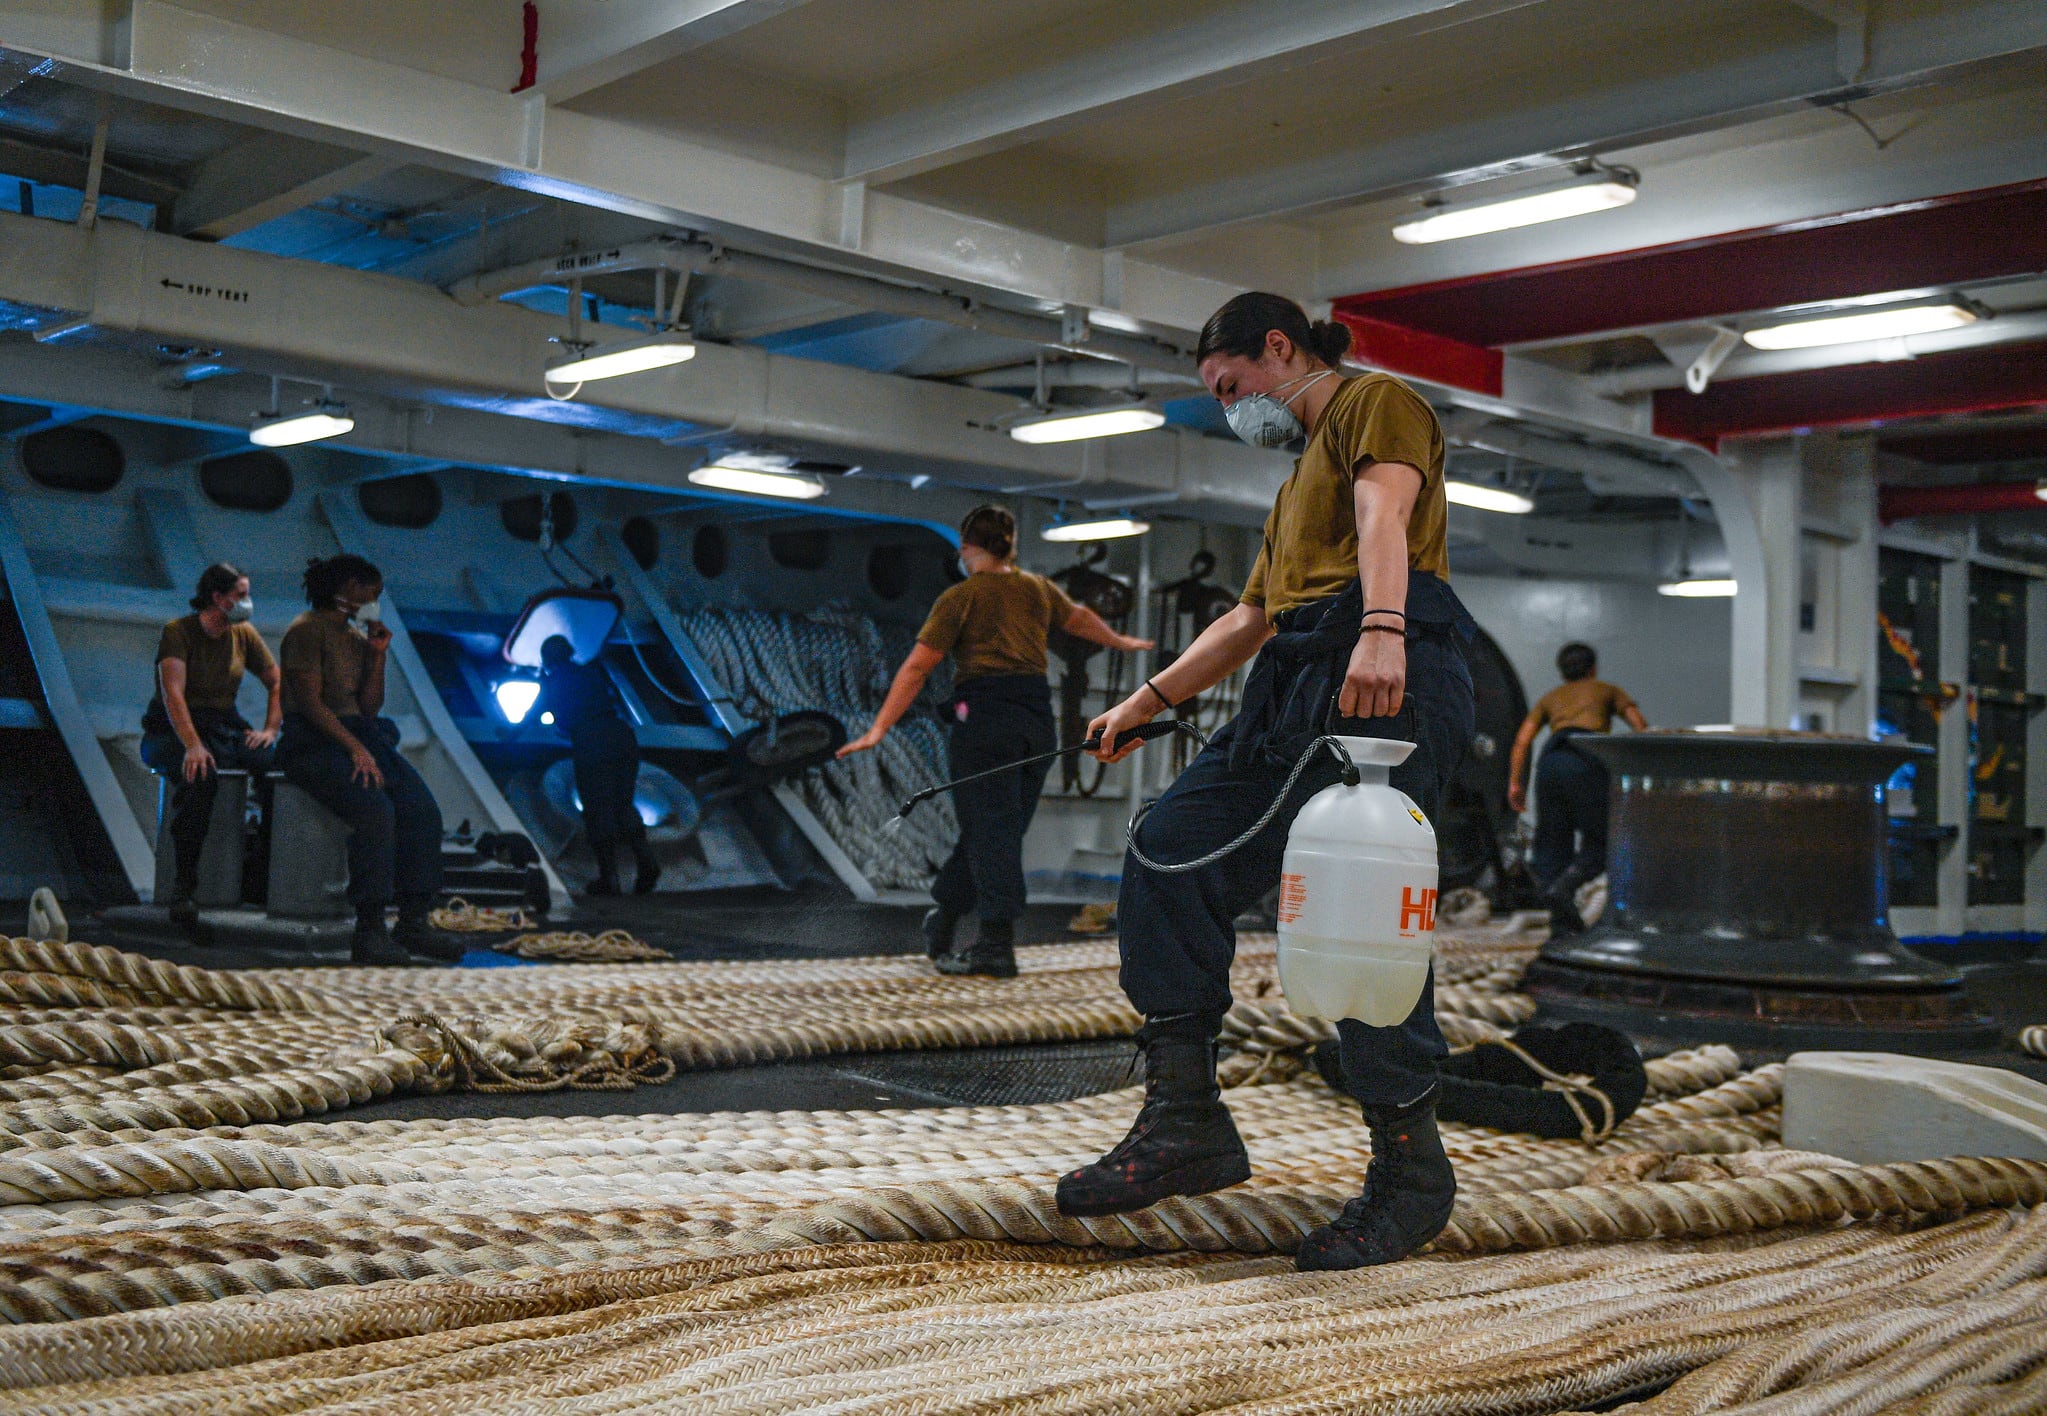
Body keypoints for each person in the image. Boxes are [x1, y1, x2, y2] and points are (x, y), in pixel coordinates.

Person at [1056, 292, 1477, 1273]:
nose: (1229, 406)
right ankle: (1187, 1123)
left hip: (1386, 662)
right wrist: (1144, 703)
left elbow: (1386, 512)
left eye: (1231, 385)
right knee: (1168, 850)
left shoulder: (1378, 403)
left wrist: (1383, 629)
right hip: (1293, 675)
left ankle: (1412, 1174)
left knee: (1364, 906)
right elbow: (1250, 617)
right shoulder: (1296, 489)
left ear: (1278, 348)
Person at [837, 505, 1151, 978]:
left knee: (992, 830)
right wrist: (1120, 641)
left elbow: (919, 666)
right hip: (1035, 722)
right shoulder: (1038, 589)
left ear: (968, 548)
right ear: (1011, 546)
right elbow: (1081, 618)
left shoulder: (962, 596)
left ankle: (995, 944)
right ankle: (943, 919)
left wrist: (879, 727)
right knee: (996, 829)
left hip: (985, 721)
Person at [276, 555, 457, 966]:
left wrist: (377, 655)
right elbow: (308, 702)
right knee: (375, 812)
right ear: (348, 587)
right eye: (369, 591)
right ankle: (370, 928)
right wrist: (353, 748)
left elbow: (369, 708)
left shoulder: (356, 639)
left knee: (421, 810)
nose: (375, 599)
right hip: (314, 739)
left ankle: (413, 921)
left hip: (359, 733)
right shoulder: (306, 631)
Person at [139, 563, 281, 942]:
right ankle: (184, 890)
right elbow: (173, 694)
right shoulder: (179, 632)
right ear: (217, 598)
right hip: (173, 728)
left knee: (277, 768)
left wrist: (269, 730)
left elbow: (276, 681)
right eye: (241, 595)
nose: (247, 602)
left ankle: (258, 878)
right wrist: (192, 745)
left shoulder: (243, 634)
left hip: (223, 724)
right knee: (201, 777)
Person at [1507, 642, 1647, 934]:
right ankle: (1566, 887)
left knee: (1553, 840)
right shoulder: (1607, 690)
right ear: (1593, 668)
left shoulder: (1551, 698)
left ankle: (1558, 920)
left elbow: (1522, 741)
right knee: (1602, 838)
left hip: (1551, 761)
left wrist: (1515, 783)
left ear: (1562, 672)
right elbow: (1640, 727)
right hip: (1588, 757)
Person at [531, 633, 659, 897]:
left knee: (598, 808)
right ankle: (647, 862)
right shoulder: (590, 672)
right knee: (623, 803)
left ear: (547, 659)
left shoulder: (554, 680)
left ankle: (608, 878)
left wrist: (509, 734)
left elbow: (537, 714)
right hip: (621, 735)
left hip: (592, 741)